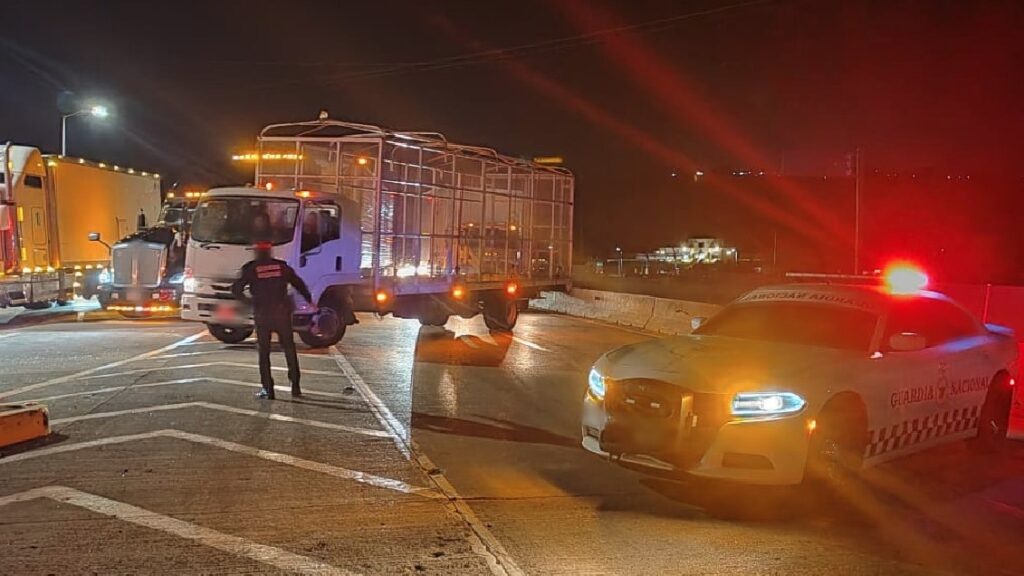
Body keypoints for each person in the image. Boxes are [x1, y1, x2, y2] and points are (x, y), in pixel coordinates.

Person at [231, 241, 313, 399]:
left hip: (263, 314)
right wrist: (309, 299)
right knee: (289, 349)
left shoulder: (251, 268)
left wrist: (249, 302)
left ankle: (268, 389)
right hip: (282, 313)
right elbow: (298, 283)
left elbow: (236, 289)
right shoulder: (281, 266)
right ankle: (295, 387)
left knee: (264, 352)